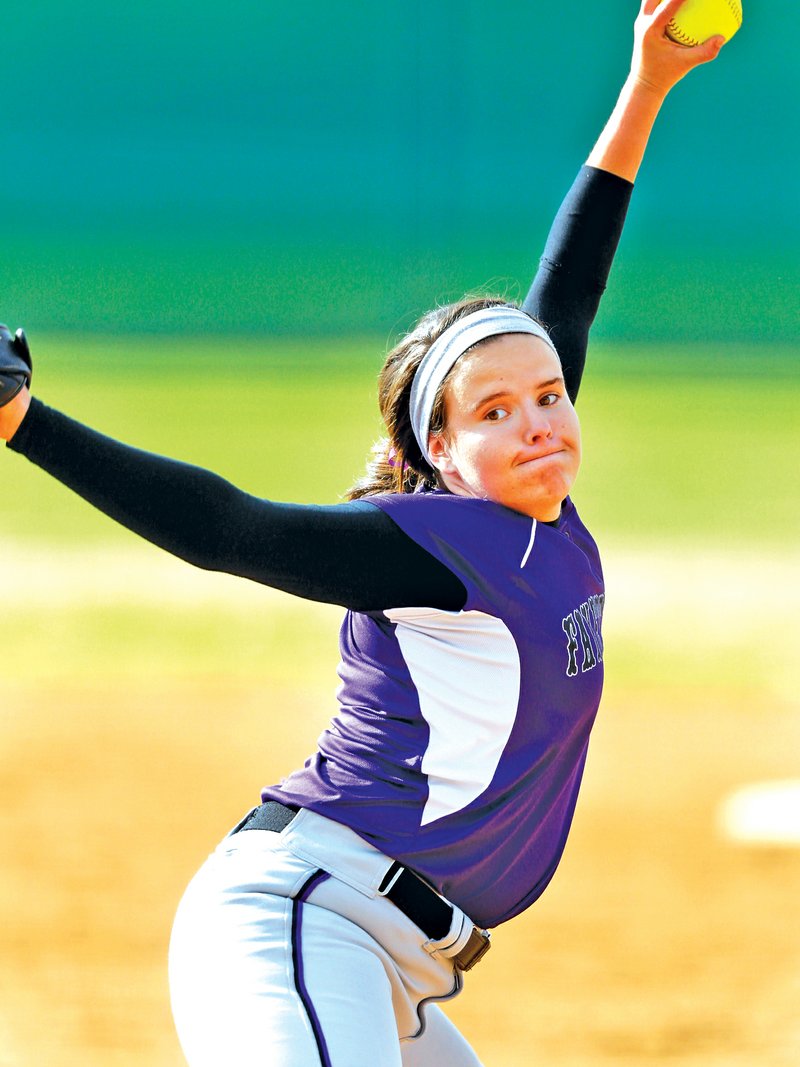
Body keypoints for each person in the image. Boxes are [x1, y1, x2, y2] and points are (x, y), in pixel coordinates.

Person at [0, 3, 727, 1064]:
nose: (532, 417)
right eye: (492, 412)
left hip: (397, 968)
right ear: (437, 448)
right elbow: (226, 528)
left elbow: (567, 290)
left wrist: (645, 88)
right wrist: (22, 422)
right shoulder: (431, 547)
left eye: (545, 397)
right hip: (302, 920)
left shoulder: (530, 506)